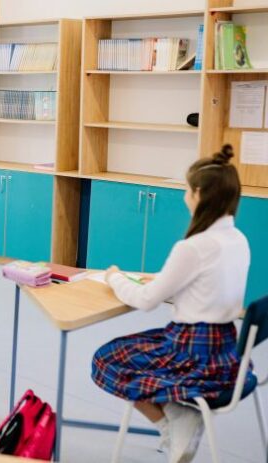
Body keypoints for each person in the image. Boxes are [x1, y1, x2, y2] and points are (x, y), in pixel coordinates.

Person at [91, 145, 252, 462]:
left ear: (200, 194)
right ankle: (179, 413)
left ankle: (171, 425)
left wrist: (114, 277)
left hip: (189, 350)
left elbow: (145, 301)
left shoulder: (193, 246)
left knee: (105, 360)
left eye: (186, 190)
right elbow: (206, 287)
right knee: (133, 354)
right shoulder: (239, 240)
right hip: (227, 352)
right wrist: (165, 281)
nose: (184, 197)